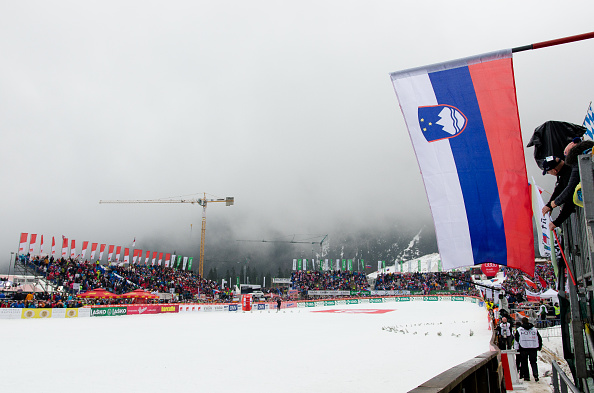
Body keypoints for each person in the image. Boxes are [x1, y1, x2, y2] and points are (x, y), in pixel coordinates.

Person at [515, 317, 542, 382]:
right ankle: (535, 374)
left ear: (522, 322)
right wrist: (539, 346)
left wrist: (517, 348)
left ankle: (526, 376)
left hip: (523, 348)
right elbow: (539, 338)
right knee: (533, 362)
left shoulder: (519, 330)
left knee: (524, 362)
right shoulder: (534, 330)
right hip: (533, 347)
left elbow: (516, 339)